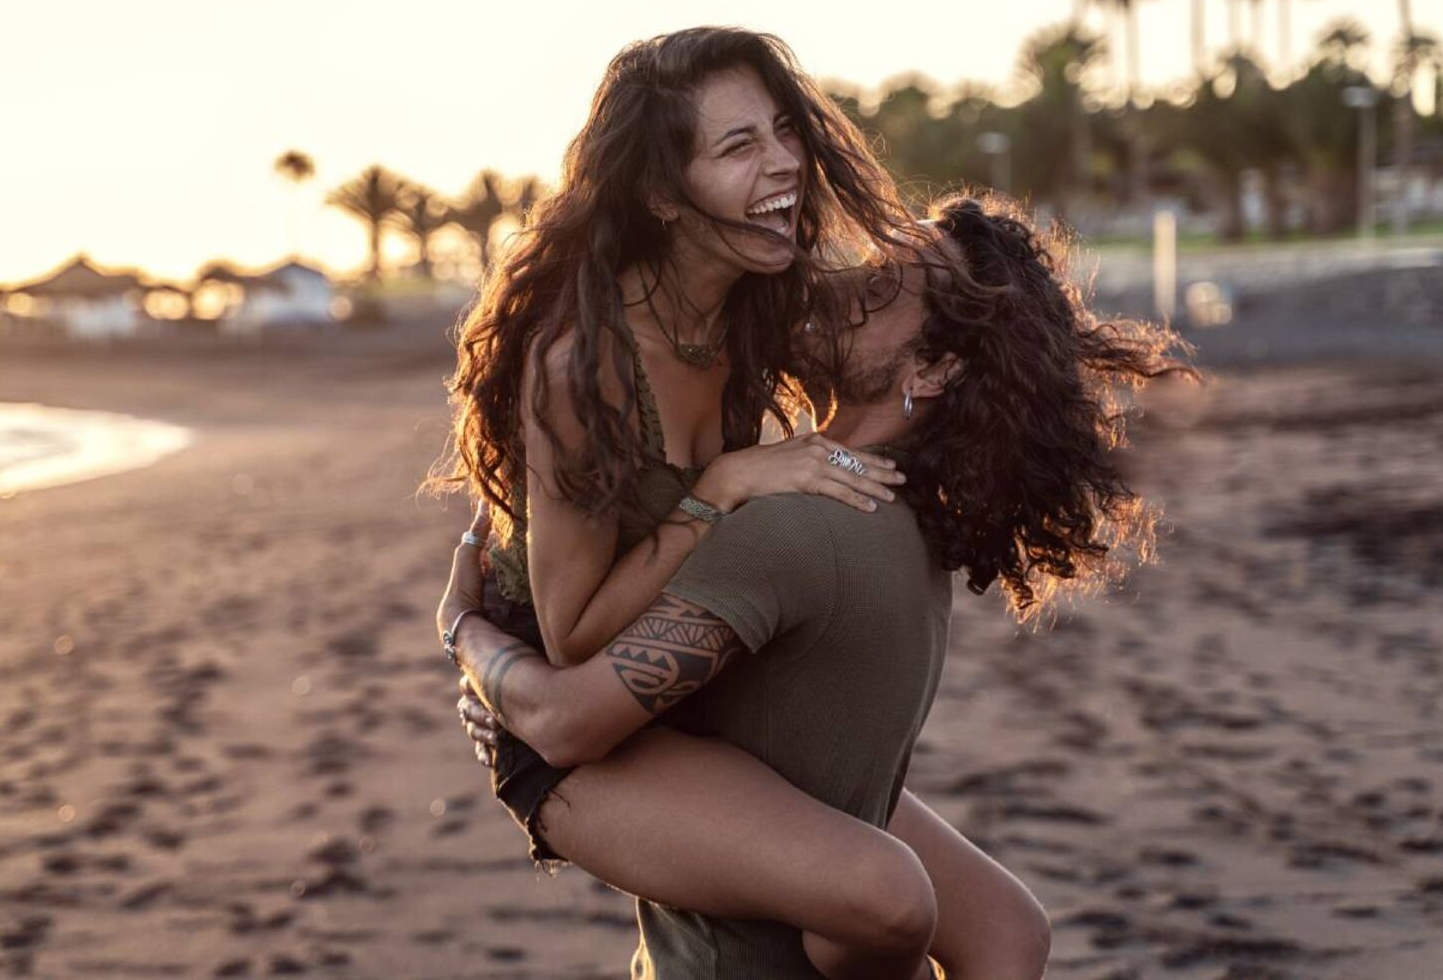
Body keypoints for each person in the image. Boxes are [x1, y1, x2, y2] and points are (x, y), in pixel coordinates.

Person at [442, 190, 1196, 977]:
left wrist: (468, 633)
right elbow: (1010, 932)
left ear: (934, 368)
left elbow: (565, 727)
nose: (835, 287)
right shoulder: (909, 532)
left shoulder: (790, 531)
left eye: (877, 290)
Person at [435, 25, 964, 980]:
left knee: (999, 926)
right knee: (878, 899)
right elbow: (571, 637)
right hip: (562, 716)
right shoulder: (584, 367)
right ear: (658, 195)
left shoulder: (759, 301)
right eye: (738, 146)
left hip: (668, 688)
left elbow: (923, 330)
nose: (784, 163)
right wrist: (720, 488)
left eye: (782, 130)